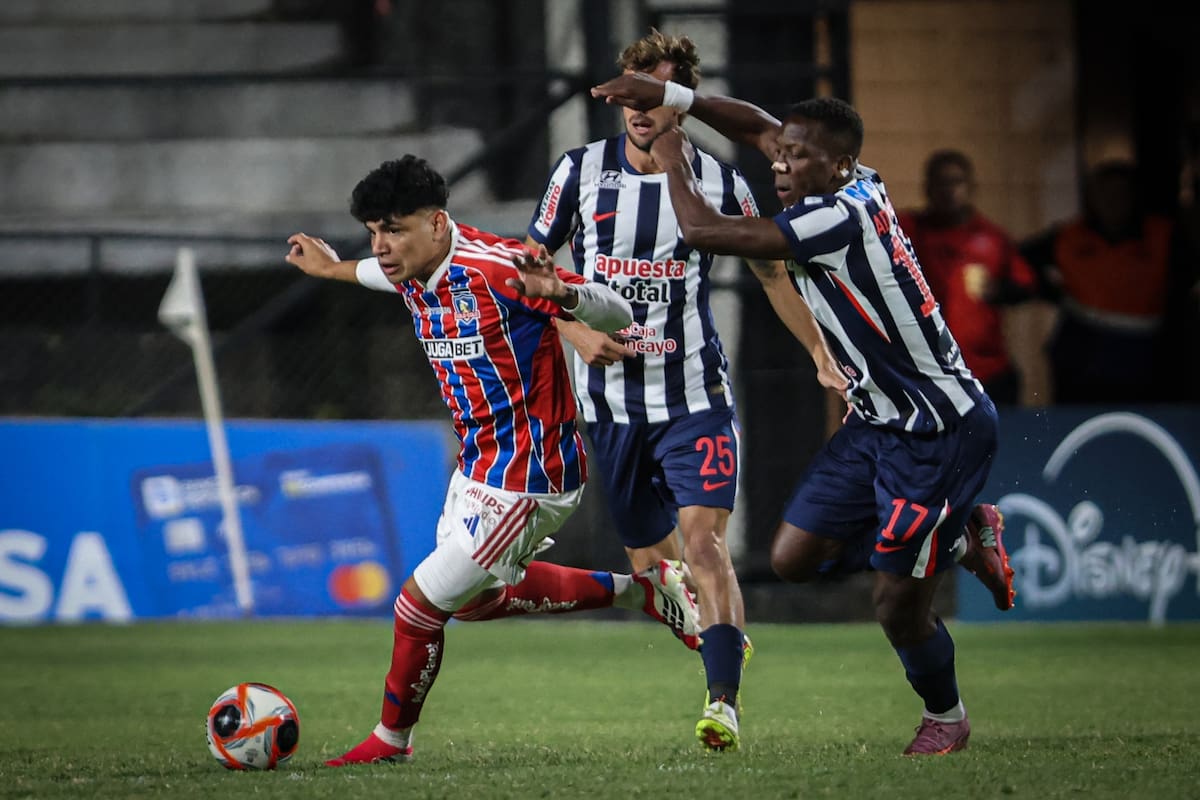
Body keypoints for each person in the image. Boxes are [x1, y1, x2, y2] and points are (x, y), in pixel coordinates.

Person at [590, 75, 1016, 755]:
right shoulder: (848, 176)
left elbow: (703, 229)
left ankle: (947, 715)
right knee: (791, 559)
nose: (780, 164)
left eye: (797, 158)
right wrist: (676, 95)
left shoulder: (835, 217)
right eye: (781, 154)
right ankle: (963, 532)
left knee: (895, 605)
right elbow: (759, 125)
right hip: (877, 422)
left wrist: (674, 157)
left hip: (941, 432)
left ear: (840, 167)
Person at [285, 155, 701, 766]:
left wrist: (563, 293)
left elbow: (617, 311)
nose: (383, 246)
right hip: (478, 466)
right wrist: (333, 269)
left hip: (532, 473)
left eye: (394, 230)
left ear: (438, 222)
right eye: (375, 231)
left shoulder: (499, 269)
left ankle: (390, 741)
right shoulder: (408, 267)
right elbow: (377, 272)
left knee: (418, 604)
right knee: (475, 601)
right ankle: (641, 592)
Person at [526, 28, 844, 752]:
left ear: (677, 105)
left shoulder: (720, 181)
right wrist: (575, 333)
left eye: (653, 96)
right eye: (629, 93)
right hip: (609, 406)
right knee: (657, 571)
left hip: (695, 397)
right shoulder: (577, 172)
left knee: (706, 548)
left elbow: (772, 275)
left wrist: (821, 354)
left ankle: (723, 702)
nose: (639, 110)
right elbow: (530, 271)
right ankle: (719, 634)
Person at [1019, 159, 1198, 404]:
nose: (1112, 200)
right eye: (1103, 192)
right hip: (1083, 350)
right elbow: (1019, 260)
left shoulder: (1164, 236)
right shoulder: (1069, 236)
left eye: (1120, 192)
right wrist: (1052, 293)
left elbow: (1187, 277)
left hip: (1144, 352)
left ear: (1134, 196)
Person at [896, 150, 1038, 405]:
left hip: (986, 371)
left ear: (971, 187)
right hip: (926, 370)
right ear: (927, 188)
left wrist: (999, 291)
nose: (949, 190)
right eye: (941, 183)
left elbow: (1026, 285)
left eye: (956, 182)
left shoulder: (992, 237)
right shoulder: (907, 231)